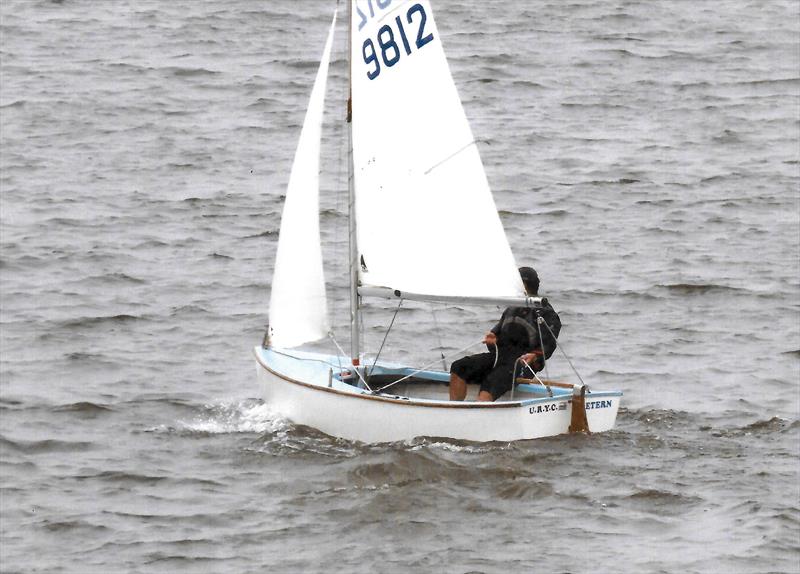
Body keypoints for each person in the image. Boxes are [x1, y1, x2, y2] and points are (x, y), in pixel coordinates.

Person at [449, 267, 561, 402]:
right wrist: (492, 340)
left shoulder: (546, 313)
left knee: (490, 382)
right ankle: (455, 408)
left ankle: (478, 413)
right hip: (500, 357)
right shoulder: (512, 308)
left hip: (522, 363)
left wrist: (535, 356)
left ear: (524, 285)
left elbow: (549, 345)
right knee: (458, 367)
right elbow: (496, 336)